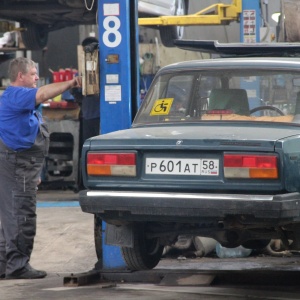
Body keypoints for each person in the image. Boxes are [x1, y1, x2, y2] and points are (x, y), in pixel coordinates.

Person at [0, 57, 82, 280]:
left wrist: (34, 173)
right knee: (21, 214)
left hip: (20, 165)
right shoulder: (17, 94)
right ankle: (17, 266)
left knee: (10, 215)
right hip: (16, 165)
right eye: (34, 74)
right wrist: (71, 83)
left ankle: (4, 265)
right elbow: (44, 93)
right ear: (20, 76)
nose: (37, 78)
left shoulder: (19, 99)